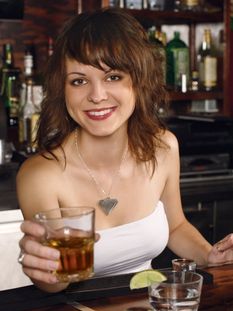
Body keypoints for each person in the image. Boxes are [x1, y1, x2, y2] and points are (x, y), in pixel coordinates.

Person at [17, 7, 233, 293]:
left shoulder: (163, 147)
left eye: (113, 77)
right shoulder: (41, 175)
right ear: (63, 89)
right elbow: (58, 280)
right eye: (79, 81)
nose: (96, 96)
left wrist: (208, 255)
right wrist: (46, 274)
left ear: (138, 81)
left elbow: (176, 226)